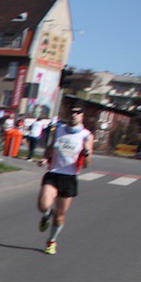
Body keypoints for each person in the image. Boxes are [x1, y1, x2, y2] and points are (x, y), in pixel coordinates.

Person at [36, 104, 93, 255]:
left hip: (69, 178)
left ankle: (51, 241)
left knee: (60, 216)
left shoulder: (86, 135)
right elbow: (50, 148)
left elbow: (86, 165)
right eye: (72, 112)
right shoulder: (59, 129)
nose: (74, 114)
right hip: (54, 174)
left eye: (78, 112)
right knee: (43, 205)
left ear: (82, 116)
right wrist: (45, 159)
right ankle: (46, 214)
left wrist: (87, 153)